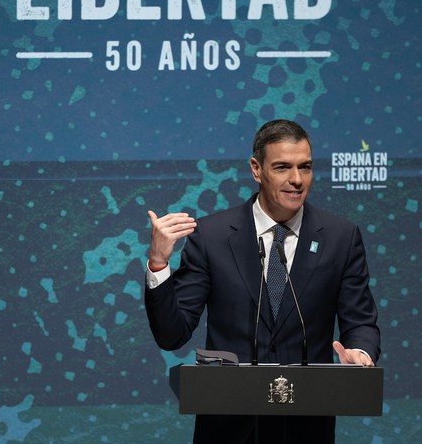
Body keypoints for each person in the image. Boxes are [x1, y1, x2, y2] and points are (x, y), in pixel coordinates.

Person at [144, 119, 380, 443]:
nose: (296, 180)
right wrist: (158, 264)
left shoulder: (341, 237)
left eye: (305, 167)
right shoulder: (211, 237)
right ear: (256, 169)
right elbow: (173, 335)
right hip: (227, 428)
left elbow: (361, 321)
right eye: (282, 167)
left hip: (306, 426)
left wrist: (361, 353)